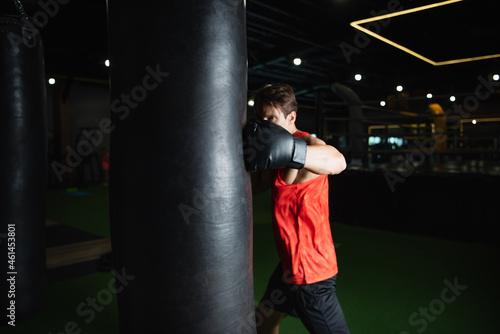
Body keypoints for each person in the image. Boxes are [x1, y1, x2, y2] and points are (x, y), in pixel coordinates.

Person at [243, 83, 349, 334]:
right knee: (263, 324)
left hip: (310, 270)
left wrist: (293, 152)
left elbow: (338, 161)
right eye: (262, 118)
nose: (266, 124)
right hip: (288, 267)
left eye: (272, 118)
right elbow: (257, 186)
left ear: (291, 117)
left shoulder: (308, 144)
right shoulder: (271, 150)